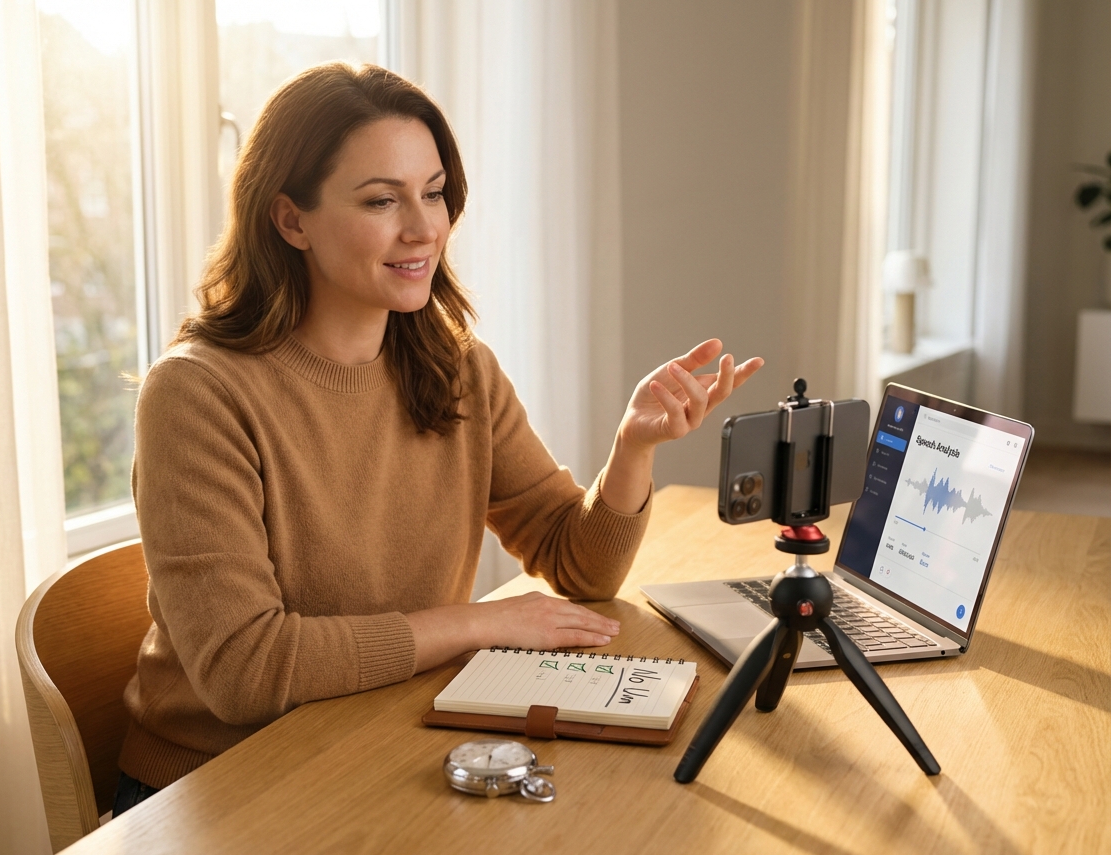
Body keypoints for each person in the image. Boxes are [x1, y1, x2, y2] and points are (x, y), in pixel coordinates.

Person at [113, 62, 763, 816]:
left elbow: (580, 567)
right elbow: (245, 671)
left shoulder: (454, 368)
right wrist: (483, 624)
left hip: (384, 739)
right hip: (219, 786)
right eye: (381, 200)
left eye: (432, 192)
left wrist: (632, 449)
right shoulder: (199, 392)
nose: (424, 228)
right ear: (291, 220)